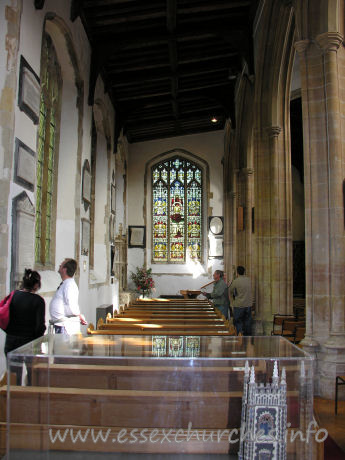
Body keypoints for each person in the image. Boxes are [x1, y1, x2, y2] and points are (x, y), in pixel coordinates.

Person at [4, 269, 46, 356]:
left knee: (13, 369)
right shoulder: (38, 301)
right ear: (36, 284)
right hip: (29, 342)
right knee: (33, 369)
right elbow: (40, 326)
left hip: (11, 340)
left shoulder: (13, 295)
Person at [49, 258, 87, 334]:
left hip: (64, 326)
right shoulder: (66, 283)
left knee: (63, 346)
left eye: (61, 265)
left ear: (64, 269)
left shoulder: (69, 285)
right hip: (60, 324)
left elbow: (71, 304)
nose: (59, 266)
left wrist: (78, 315)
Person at [229, 266, 252, 335]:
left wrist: (232, 301)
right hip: (248, 304)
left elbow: (230, 291)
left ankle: (239, 336)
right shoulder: (248, 280)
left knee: (237, 321)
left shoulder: (236, 281)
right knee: (247, 321)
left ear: (237, 272)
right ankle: (247, 338)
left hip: (239, 305)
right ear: (244, 272)